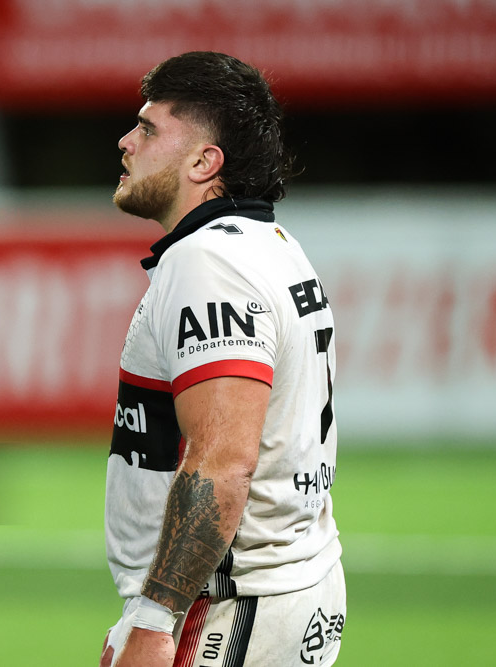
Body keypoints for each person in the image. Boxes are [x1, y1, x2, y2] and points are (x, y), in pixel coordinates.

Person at [101, 51, 345, 667]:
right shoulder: (271, 243)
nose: (127, 142)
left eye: (150, 129)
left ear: (205, 162)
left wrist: (156, 619)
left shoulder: (207, 263)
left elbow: (222, 461)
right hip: (288, 589)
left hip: (226, 609)